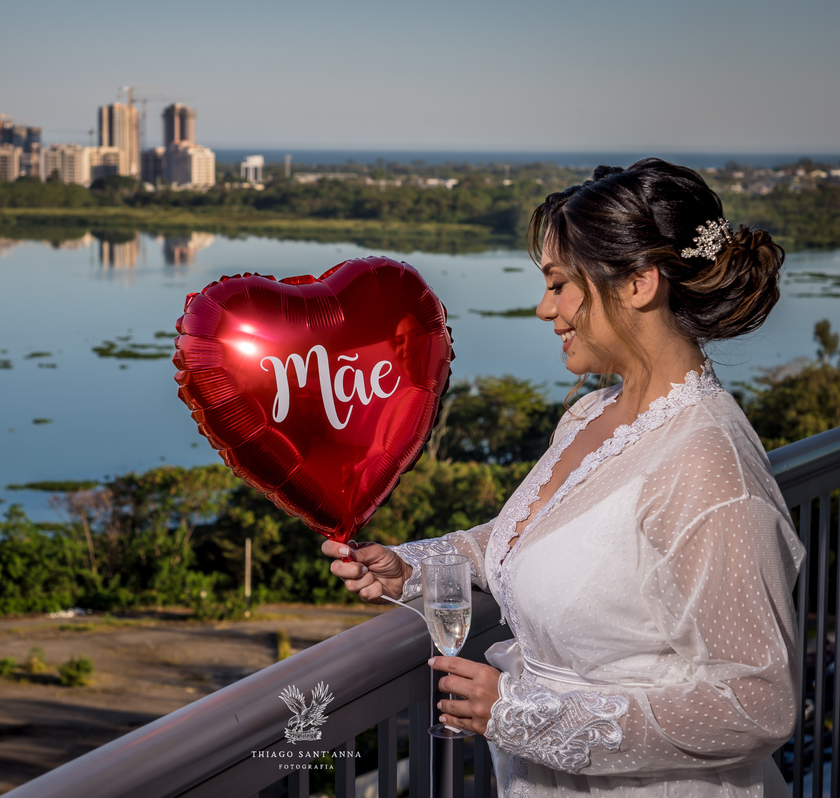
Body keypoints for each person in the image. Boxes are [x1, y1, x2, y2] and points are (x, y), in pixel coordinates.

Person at [322, 158, 806, 797]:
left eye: (558, 284)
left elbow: (760, 703)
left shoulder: (707, 464)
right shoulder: (593, 413)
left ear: (639, 283)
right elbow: (542, 537)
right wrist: (413, 568)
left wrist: (523, 716)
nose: (544, 308)